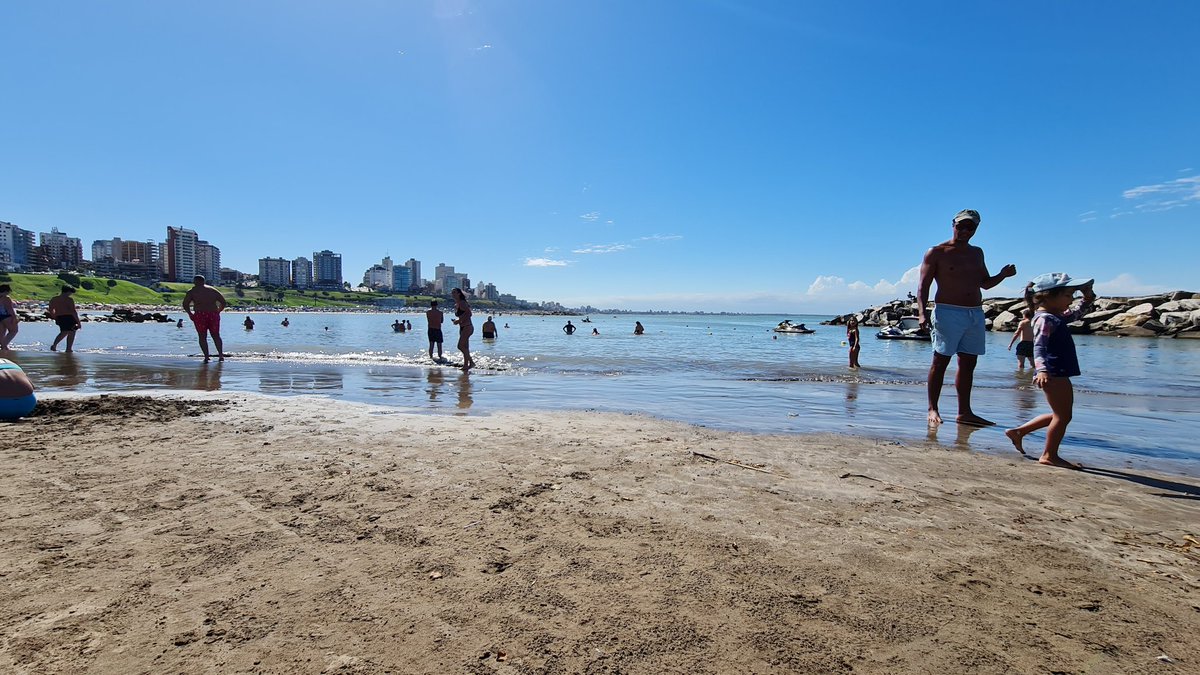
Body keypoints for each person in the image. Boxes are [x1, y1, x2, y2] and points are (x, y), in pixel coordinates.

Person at [917, 209, 1017, 426]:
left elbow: (985, 283)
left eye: (969, 227)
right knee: (940, 361)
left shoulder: (977, 253)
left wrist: (1003, 274)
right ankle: (933, 409)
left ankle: (965, 412)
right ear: (952, 224)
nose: (964, 230)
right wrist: (922, 313)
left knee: (969, 362)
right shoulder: (936, 252)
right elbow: (923, 286)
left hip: (975, 313)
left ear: (976, 229)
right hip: (947, 312)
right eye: (960, 225)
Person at [1004, 273, 1096, 469]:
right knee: (1063, 416)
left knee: (1060, 414)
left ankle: (1019, 432)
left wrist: (1088, 296)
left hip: (1057, 371)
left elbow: (1078, 313)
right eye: (1067, 295)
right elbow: (1039, 347)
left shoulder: (1055, 317)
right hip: (1053, 372)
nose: (1071, 299)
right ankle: (1049, 455)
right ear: (1047, 296)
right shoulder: (1045, 319)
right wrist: (1042, 370)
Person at [182, 275, 228, 362]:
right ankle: (220, 355)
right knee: (216, 335)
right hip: (213, 314)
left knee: (202, 336)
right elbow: (223, 302)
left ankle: (207, 357)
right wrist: (218, 311)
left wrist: (190, 313)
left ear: (196, 281)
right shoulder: (213, 290)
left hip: (200, 315)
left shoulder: (192, 291)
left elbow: (185, 304)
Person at [48, 286, 82, 352]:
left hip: (60, 317)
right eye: (70, 293)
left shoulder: (54, 299)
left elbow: (51, 309)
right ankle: (68, 348)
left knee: (65, 332)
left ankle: (56, 345)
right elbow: (73, 311)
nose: (70, 294)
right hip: (69, 317)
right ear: (68, 292)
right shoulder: (69, 300)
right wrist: (79, 322)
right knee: (70, 332)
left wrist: (55, 317)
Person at [450, 288, 475, 371]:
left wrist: (459, 320)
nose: (452, 294)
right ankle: (465, 366)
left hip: (467, 326)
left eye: (454, 293)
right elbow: (463, 314)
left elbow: (469, 313)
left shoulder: (462, 303)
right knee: (465, 347)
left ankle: (471, 362)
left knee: (460, 346)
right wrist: (457, 321)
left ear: (459, 294)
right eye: (452, 293)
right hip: (463, 327)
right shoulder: (457, 304)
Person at [0, 284, 18, 349]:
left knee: (2, 333)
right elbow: (9, 309)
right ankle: (4, 346)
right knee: (14, 331)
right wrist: (14, 318)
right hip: (6, 316)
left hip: (0, 317)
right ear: (6, 291)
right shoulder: (6, 298)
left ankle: (3, 349)